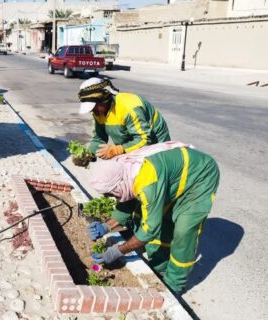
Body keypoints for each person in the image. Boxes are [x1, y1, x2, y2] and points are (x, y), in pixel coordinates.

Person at [87, 141, 220, 293]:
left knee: (184, 231)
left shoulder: (146, 182)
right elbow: (127, 200)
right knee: (161, 219)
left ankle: (175, 284)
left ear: (119, 183)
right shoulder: (125, 168)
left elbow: (150, 229)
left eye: (110, 192)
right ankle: (160, 268)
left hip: (200, 176)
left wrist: (118, 251)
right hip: (175, 175)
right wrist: (106, 226)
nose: (110, 196)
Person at [78, 77, 171, 161]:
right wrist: (88, 155)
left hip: (155, 143)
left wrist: (117, 150)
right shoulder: (98, 112)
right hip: (130, 144)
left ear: (104, 99)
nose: (93, 111)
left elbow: (144, 140)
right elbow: (99, 137)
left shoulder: (129, 107)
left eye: (94, 107)